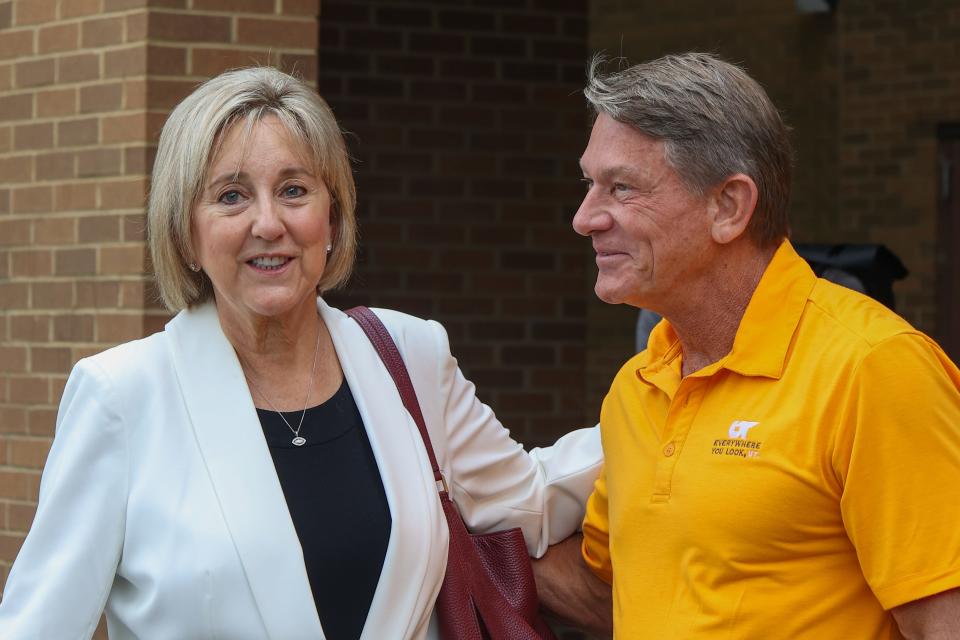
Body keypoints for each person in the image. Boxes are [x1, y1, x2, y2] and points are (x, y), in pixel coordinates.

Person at [0, 67, 602, 640]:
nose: (268, 222)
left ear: (332, 218)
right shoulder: (121, 396)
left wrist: (668, 399)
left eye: (293, 191)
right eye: (231, 196)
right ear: (185, 233)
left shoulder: (409, 356)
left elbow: (533, 500)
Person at [534, 53, 960, 639]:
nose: (585, 218)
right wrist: (421, 526)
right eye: (589, 184)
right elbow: (609, 594)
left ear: (728, 207)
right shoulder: (639, 385)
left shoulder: (872, 367)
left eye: (622, 188)